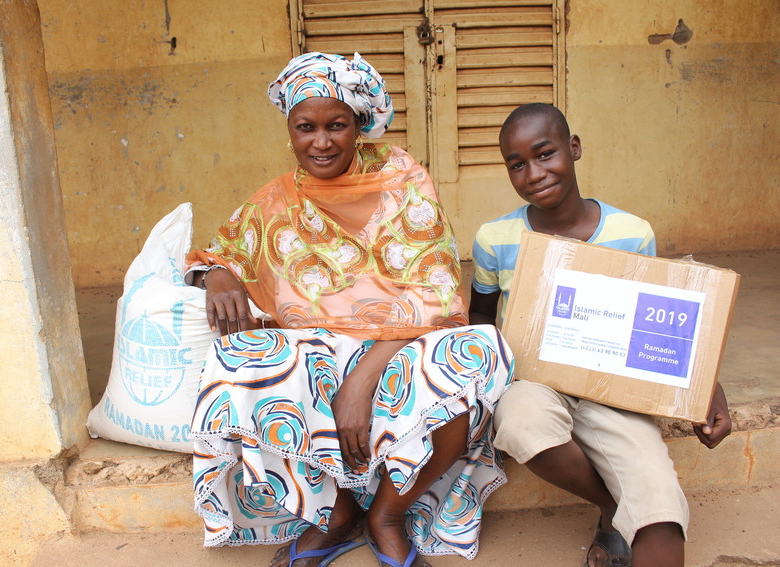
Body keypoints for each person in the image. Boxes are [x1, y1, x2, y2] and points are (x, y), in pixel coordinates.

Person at [186, 52, 514, 567]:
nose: (321, 141)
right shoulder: (276, 200)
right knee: (233, 362)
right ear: (290, 129)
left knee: (477, 352)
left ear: (359, 124)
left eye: (336, 125)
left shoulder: (402, 180)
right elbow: (219, 251)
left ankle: (388, 515)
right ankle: (336, 517)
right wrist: (218, 274)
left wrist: (361, 381)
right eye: (305, 127)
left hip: (404, 341)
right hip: (317, 343)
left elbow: (436, 292)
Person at [469, 102, 732, 567]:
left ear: (574, 148)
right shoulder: (496, 238)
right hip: (537, 382)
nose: (533, 173)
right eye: (517, 164)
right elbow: (481, 323)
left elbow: (659, 322)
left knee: (660, 511)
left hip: (616, 391)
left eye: (545, 154)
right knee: (521, 419)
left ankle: (634, 513)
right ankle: (614, 508)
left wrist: (704, 387)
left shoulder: (632, 234)